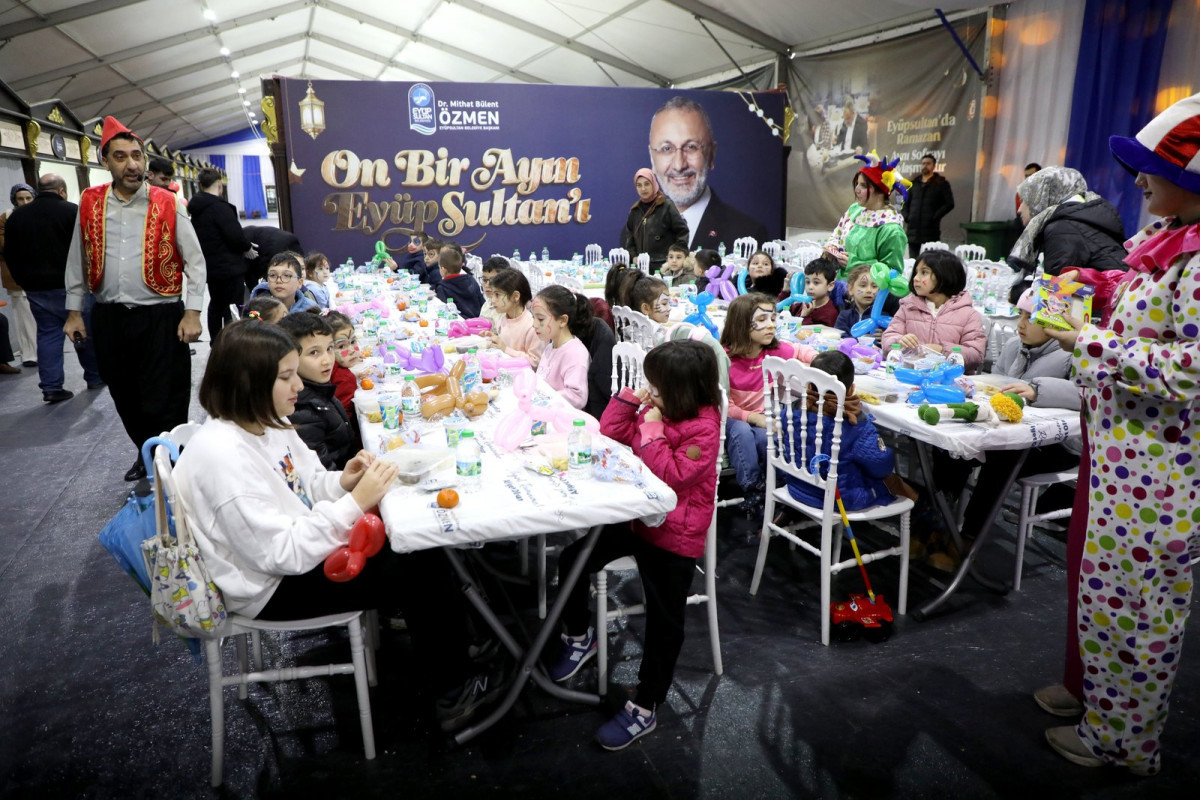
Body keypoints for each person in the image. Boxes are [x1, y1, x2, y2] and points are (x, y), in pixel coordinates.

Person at [172, 319, 502, 732]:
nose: (298, 386)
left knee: (418, 549)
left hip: (291, 552)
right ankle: (455, 692)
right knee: (417, 563)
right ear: (248, 382)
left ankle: (459, 648)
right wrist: (355, 503)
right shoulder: (224, 458)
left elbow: (306, 482)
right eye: (286, 377)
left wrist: (343, 481)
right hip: (269, 588)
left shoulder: (263, 420)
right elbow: (283, 555)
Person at [1036, 92, 1200, 777]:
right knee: (1106, 599)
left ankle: (1125, 742)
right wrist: (1090, 284)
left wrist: (1090, 341)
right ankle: (1098, 707)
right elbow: (1127, 290)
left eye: (1151, 169)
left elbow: (1191, 370)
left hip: (1161, 477)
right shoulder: (1167, 238)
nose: (1138, 182)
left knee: (1142, 611)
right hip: (1122, 462)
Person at [549, 339, 721, 750]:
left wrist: (652, 430)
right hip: (636, 519)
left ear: (682, 391)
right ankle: (580, 636)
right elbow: (612, 432)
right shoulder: (660, 408)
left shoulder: (704, 428)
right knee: (573, 559)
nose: (651, 392)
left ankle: (646, 704)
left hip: (674, 534)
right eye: (650, 385)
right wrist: (631, 400)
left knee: (664, 623)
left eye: (657, 387)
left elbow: (671, 476)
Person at [63, 118, 205, 481]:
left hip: (161, 316)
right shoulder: (90, 202)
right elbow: (78, 258)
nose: (132, 164)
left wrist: (192, 312)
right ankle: (146, 450)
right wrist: (74, 312)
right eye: (121, 157)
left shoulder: (168, 202)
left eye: (137, 156)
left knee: (167, 392)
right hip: (109, 317)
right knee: (124, 392)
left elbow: (195, 261)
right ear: (105, 161)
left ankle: (170, 456)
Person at [5, 174, 103, 402]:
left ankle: (51, 387)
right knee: (83, 332)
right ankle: (94, 376)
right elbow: (88, 248)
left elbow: (10, 253)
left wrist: (22, 280)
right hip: (72, 286)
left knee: (48, 335)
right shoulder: (71, 211)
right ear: (61, 191)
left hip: (36, 289)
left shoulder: (17, 216)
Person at [720, 293, 817, 520]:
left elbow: (801, 351)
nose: (771, 325)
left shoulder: (773, 351)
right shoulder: (725, 358)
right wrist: (755, 418)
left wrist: (820, 361)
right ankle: (752, 488)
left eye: (773, 318)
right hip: (730, 418)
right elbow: (723, 404)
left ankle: (778, 487)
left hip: (761, 416)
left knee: (767, 438)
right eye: (762, 320)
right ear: (741, 324)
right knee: (742, 431)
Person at [780, 351, 899, 511]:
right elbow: (882, 467)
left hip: (797, 488)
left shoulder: (791, 411)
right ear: (851, 390)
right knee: (893, 484)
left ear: (809, 385)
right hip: (841, 500)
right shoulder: (855, 424)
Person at [648, 96, 768, 250]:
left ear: (711, 154)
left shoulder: (748, 236)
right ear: (652, 158)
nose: (679, 165)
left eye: (691, 147)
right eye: (666, 148)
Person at [1008, 166, 1127, 293]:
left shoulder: (1063, 227)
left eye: (1025, 200)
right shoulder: (1080, 217)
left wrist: (1018, 294)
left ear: (1042, 198)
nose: (1019, 209)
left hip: (1105, 301)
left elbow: (1056, 294)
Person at [881, 249, 986, 372]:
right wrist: (900, 341)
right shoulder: (908, 307)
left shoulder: (968, 314)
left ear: (945, 275)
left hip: (948, 379)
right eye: (916, 273)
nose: (916, 278)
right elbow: (888, 340)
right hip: (909, 375)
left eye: (924, 272)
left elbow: (976, 355)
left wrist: (942, 350)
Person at [277, 313, 357, 470]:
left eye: (329, 348)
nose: (327, 360)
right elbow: (321, 471)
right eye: (314, 352)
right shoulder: (301, 410)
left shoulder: (320, 388)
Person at [825, 154, 909, 282]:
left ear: (880, 190)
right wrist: (832, 247)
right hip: (839, 284)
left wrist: (854, 263)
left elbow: (892, 273)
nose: (857, 189)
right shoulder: (855, 210)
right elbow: (837, 233)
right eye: (857, 184)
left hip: (867, 291)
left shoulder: (892, 230)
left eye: (863, 185)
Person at [189, 168, 253, 337]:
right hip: (230, 267)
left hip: (211, 267)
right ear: (219, 184)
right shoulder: (220, 208)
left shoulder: (196, 209)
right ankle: (234, 340)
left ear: (200, 185)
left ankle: (216, 341)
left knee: (216, 304)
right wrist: (247, 247)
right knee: (235, 305)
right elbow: (235, 236)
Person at [532, 285, 591, 410]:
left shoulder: (575, 354)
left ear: (563, 320)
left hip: (563, 416)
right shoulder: (549, 347)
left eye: (540, 319)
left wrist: (545, 399)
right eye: (533, 317)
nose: (534, 324)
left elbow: (577, 397)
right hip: (544, 410)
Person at [620, 168, 688, 274]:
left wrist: (675, 257)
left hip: (664, 266)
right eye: (639, 185)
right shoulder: (635, 210)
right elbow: (629, 238)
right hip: (641, 267)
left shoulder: (666, 205)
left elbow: (682, 232)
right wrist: (633, 256)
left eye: (647, 184)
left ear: (654, 184)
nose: (643, 189)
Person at [0, 182, 38, 367]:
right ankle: (29, 354)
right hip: (16, 274)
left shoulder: (39, 214)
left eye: (28, 198)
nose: (24, 202)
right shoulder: (7, 216)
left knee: (38, 315)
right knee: (22, 316)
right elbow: (3, 243)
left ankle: (42, 351)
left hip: (39, 273)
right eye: (20, 199)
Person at [484, 268, 542, 368]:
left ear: (515, 296)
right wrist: (494, 338)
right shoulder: (503, 318)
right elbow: (504, 345)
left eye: (497, 295)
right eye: (493, 295)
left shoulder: (532, 327)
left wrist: (505, 349)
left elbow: (535, 363)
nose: (492, 300)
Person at [901, 153, 955, 258]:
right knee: (913, 260)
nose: (925, 166)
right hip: (913, 230)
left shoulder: (941, 183)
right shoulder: (914, 184)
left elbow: (949, 203)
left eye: (928, 163)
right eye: (923, 163)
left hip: (930, 230)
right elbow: (905, 202)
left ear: (934, 166)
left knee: (930, 259)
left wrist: (935, 216)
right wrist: (907, 217)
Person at [834, 263, 901, 337]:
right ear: (851, 289)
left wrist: (885, 337)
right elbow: (839, 337)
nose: (869, 290)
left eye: (874, 286)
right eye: (863, 285)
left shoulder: (883, 318)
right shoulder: (844, 316)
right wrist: (861, 340)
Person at [249, 252, 319, 314]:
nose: (278, 280)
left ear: (299, 283)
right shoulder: (256, 309)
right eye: (273, 275)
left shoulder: (310, 309)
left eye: (286, 275)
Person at [324, 310, 360, 416]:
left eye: (353, 342)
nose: (352, 350)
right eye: (341, 346)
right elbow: (345, 415)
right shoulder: (345, 378)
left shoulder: (330, 367)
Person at [242, 225, 300, 291]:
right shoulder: (274, 255)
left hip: (261, 240)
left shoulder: (292, 244)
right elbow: (256, 272)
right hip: (248, 241)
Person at [434, 247, 485, 319]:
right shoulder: (471, 280)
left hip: (458, 322)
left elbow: (443, 311)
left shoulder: (442, 288)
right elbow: (482, 302)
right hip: (478, 321)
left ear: (443, 269)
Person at [790, 258, 840, 328]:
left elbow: (812, 334)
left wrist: (805, 317)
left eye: (816, 282)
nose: (810, 287)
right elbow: (781, 314)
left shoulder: (830, 313)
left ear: (830, 286)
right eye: (807, 282)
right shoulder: (804, 304)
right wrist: (785, 291)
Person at [477, 256, 509, 328]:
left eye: (493, 280)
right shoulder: (486, 304)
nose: (487, 285)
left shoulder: (507, 310)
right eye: (484, 280)